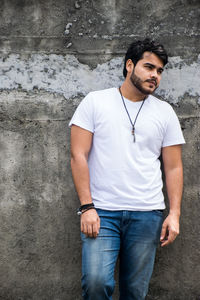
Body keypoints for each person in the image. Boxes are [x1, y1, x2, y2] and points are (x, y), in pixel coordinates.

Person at [69, 38, 185, 300]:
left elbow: (174, 168)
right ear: (129, 65)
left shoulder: (165, 112)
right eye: (149, 67)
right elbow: (78, 155)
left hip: (147, 214)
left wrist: (174, 214)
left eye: (159, 71)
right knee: (96, 284)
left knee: (135, 292)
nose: (155, 75)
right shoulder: (95, 102)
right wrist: (87, 207)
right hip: (102, 212)